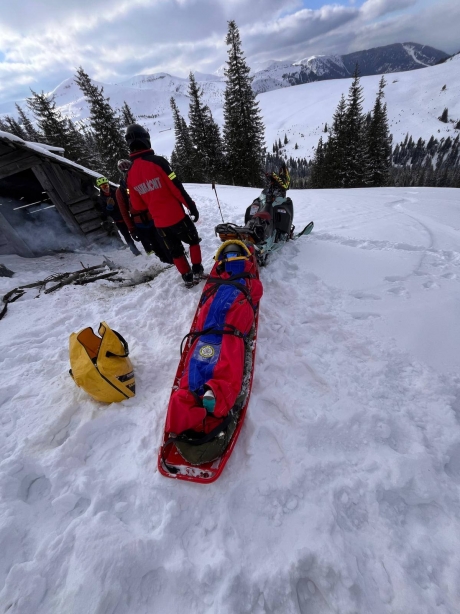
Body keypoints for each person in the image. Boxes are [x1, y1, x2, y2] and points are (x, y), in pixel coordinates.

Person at [165, 240, 263, 434]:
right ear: (245, 260)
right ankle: (216, 392)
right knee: (228, 361)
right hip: (231, 331)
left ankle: (188, 398)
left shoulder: (213, 282)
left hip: (205, 331)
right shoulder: (251, 282)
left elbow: (204, 300)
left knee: (197, 363)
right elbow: (257, 293)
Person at [124, 123, 203, 287]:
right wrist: (191, 206)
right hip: (177, 216)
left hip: (159, 222)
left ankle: (187, 278)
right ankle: (198, 271)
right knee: (193, 241)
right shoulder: (158, 162)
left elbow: (137, 204)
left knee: (175, 251)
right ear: (146, 140)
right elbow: (176, 188)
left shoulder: (129, 175)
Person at [115, 159, 172, 263]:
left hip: (154, 218)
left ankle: (173, 261)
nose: (127, 174)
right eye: (125, 171)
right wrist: (131, 229)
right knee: (154, 246)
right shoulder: (120, 191)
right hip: (140, 223)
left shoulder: (142, 181)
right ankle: (166, 262)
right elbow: (124, 212)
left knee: (164, 241)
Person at [95, 176, 141, 255]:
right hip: (118, 220)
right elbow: (105, 213)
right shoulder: (101, 199)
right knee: (127, 236)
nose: (105, 187)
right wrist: (109, 207)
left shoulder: (116, 191)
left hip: (128, 216)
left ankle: (147, 246)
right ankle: (135, 251)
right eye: (103, 186)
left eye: (106, 185)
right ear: (100, 187)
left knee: (138, 231)